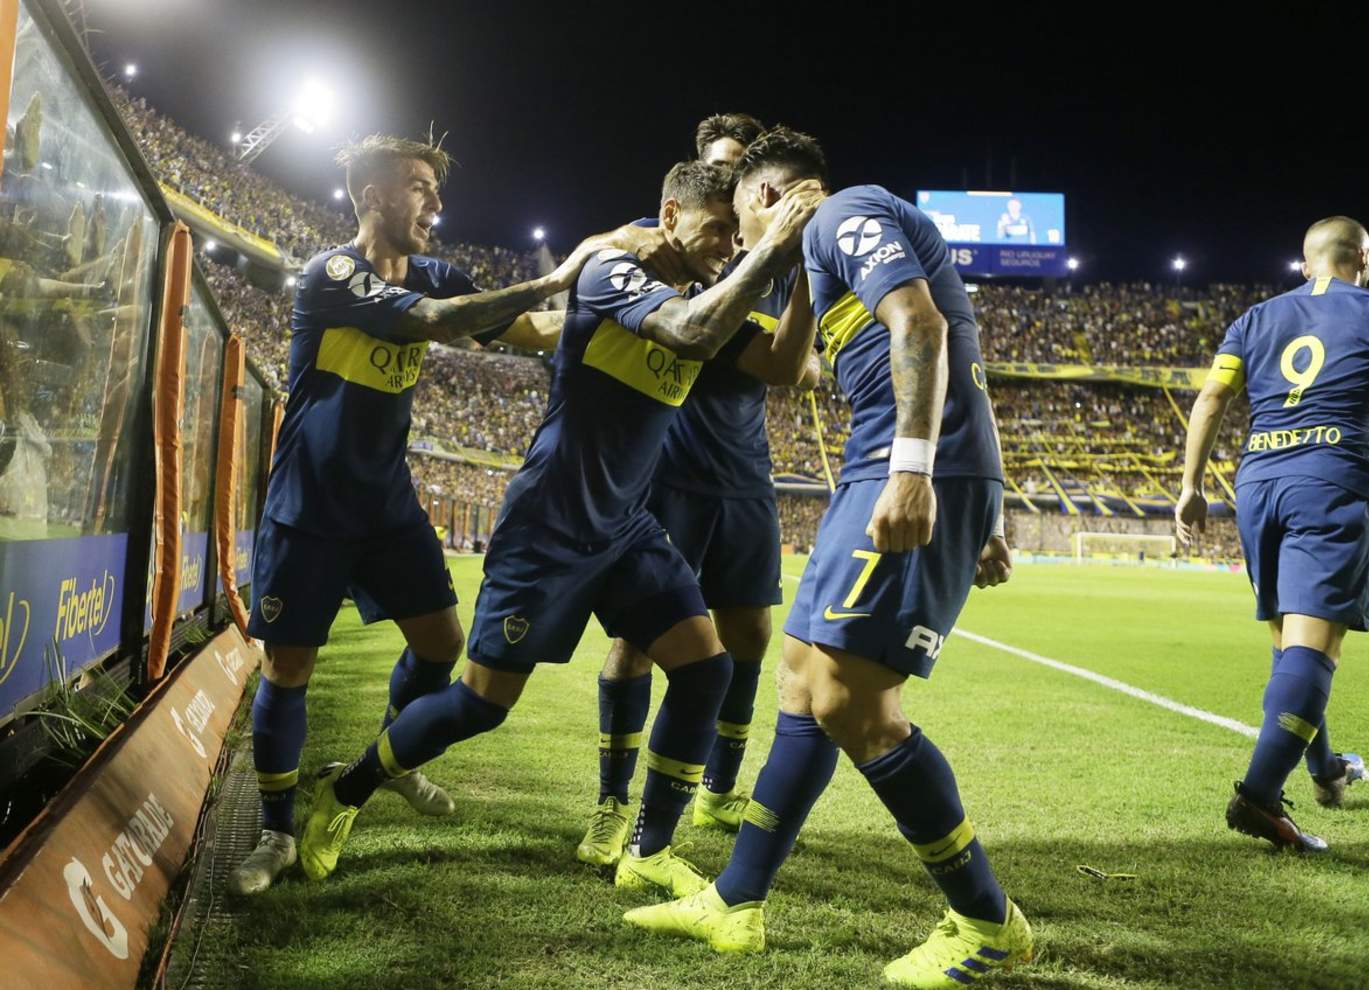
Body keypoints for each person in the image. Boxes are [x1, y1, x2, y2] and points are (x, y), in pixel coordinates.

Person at [297, 161, 823, 898]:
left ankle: (647, 847)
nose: (728, 248)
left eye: (737, 238)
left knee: (706, 670)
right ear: (669, 213)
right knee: (482, 705)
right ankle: (345, 790)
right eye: (715, 232)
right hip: (548, 523)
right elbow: (692, 333)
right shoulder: (613, 272)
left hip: (626, 527)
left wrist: (799, 270)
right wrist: (772, 247)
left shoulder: (711, 288)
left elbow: (780, 361)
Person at [625, 127, 1029, 989]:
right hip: (885, 462)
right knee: (802, 676)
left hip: (906, 463)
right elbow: (957, 335)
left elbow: (923, 323)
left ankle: (986, 921)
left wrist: (924, 473)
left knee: (853, 700)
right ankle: (737, 900)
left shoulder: (845, 212)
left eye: (740, 216)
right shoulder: (819, 253)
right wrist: (982, 507)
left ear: (769, 195)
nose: (738, 238)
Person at [230, 133, 662, 895]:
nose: (435, 202)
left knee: (442, 643)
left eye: (434, 188)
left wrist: (619, 307)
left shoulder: (440, 271)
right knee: (288, 666)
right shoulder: (334, 273)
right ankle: (275, 832)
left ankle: (389, 757)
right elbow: (432, 319)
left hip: (388, 505)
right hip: (311, 504)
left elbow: (529, 332)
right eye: (419, 186)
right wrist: (563, 272)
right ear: (373, 196)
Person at [578, 114, 821, 868]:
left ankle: (718, 786)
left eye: (745, 174)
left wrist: (799, 284)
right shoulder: (656, 244)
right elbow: (600, 267)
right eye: (721, 168)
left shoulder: (775, 259)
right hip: (668, 469)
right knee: (639, 640)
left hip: (744, 471)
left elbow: (796, 365)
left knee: (748, 636)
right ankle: (612, 803)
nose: (736, 187)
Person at [1176, 216, 1369, 852]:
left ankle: (1323, 771)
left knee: (1288, 644)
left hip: (1258, 486)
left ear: (1305, 262)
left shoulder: (1254, 320)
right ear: (1365, 258)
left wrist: (1190, 487)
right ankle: (1259, 798)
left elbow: (1211, 399)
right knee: (1314, 652)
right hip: (1329, 483)